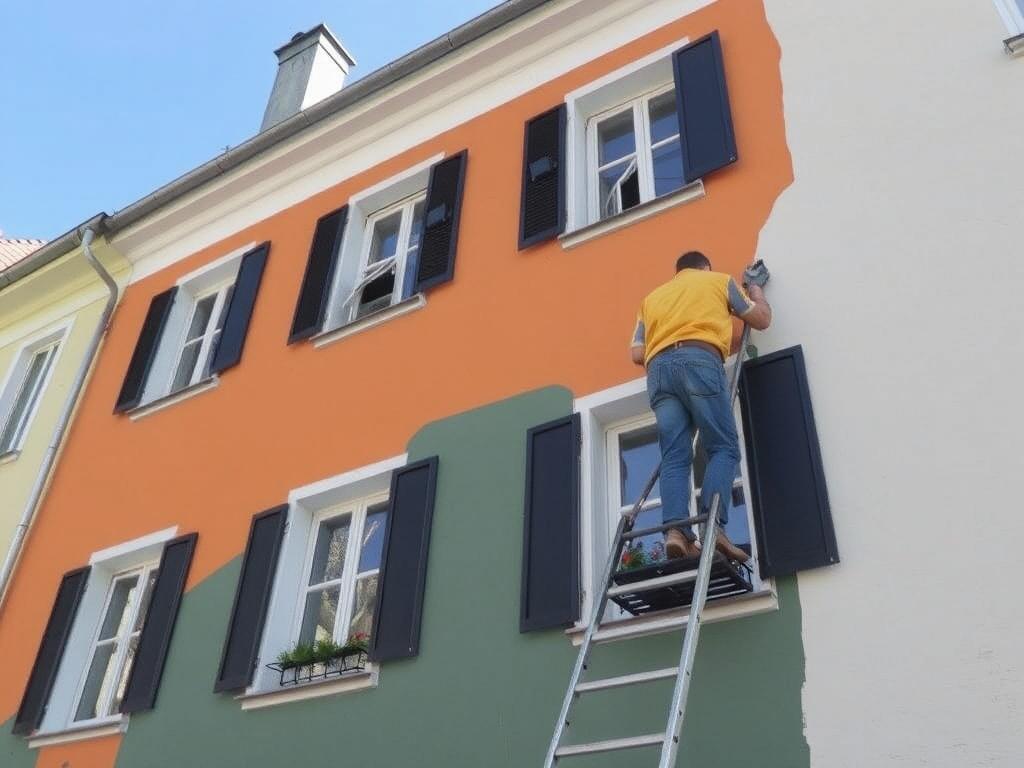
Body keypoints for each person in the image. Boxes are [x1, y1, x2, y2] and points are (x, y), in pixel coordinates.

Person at [630, 251, 771, 562]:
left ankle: (676, 533)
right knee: (723, 447)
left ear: (678, 271)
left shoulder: (650, 299)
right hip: (700, 360)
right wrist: (755, 289)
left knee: (675, 456)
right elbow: (760, 319)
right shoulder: (718, 282)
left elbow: (638, 354)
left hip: (659, 371)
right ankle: (714, 528)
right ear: (705, 267)